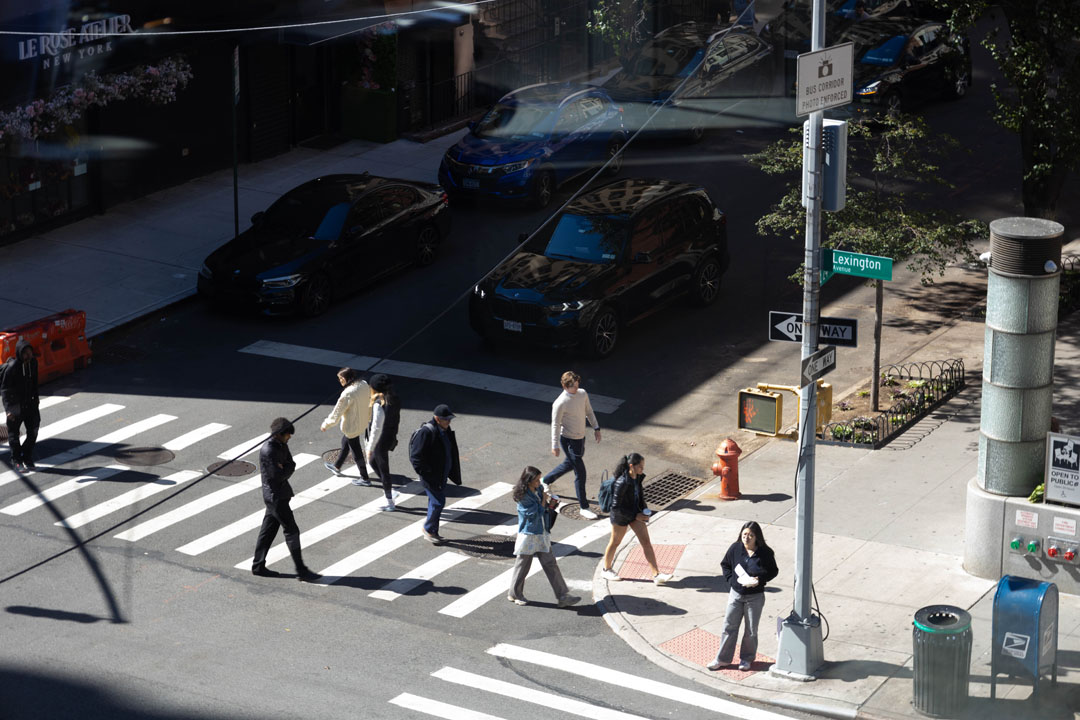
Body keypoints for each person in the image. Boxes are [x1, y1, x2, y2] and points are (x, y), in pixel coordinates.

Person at [252, 418, 321, 582]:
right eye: (288, 435)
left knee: (267, 532)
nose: (289, 437)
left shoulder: (281, 445)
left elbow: (291, 464)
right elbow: (279, 475)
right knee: (292, 531)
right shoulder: (268, 450)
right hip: (275, 497)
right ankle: (301, 570)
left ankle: (258, 565)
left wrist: (286, 467)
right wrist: (285, 468)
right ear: (279, 434)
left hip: (280, 494)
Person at [707, 521, 779, 671]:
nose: (746, 538)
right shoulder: (735, 548)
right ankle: (722, 659)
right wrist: (731, 580)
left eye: (750, 535)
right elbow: (725, 564)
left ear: (757, 538)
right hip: (736, 594)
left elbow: (773, 571)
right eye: (744, 534)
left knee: (751, 630)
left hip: (755, 596)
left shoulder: (765, 553)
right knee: (729, 626)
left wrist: (759, 580)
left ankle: (746, 659)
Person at [507, 466, 582, 608]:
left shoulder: (539, 489)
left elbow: (543, 509)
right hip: (529, 534)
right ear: (528, 481)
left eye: (539, 480)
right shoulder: (522, 496)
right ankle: (515, 593)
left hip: (542, 532)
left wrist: (551, 503)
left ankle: (563, 596)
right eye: (536, 480)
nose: (539, 483)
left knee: (550, 564)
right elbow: (532, 514)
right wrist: (543, 502)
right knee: (522, 566)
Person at [600, 453, 672, 585]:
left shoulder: (637, 478)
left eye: (643, 467)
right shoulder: (621, 482)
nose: (642, 469)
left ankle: (656, 575)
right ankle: (606, 569)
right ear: (631, 466)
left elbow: (640, 496)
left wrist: (644, 510)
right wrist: (636, 515)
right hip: (621, 516)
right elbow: (616, 507)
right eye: (641, 467)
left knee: (646, 542)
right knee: (615, 542)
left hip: (634, 514)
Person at [542, 371, 601, 520]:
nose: (576, 388)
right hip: (568, 440)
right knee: (580, 472)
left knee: (570, 464)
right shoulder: (560, 403)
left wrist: (596, 428)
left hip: (580, 439)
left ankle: (546, 480)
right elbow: (555, 425)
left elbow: (589, 411)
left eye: (577, 385)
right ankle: (584, 507)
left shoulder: (582, 394)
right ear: (564, 386)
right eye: (572, 386)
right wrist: (554, 445)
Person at [409, 404, 462, 544]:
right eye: (446, 419)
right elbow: (416, 458)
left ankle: (433, 530)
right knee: (439, 502)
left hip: (441, 475)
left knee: (434, 502)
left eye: (450, 419)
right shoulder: (426, 433)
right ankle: (429, 529)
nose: (449, 422)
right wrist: (428, 473)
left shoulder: (445, 429)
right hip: (431, 477)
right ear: (437, 419)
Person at [320, 367, 372, 486]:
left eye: (340, 379)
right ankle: (337, 466)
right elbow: (369, 401)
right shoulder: (363, 384)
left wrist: (326, 424)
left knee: (356, 451)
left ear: (345, 378)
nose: (340, 381)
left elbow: (336, 413)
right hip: (362, 421)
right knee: (346, 442)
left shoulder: (347, 393)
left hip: (352, 425)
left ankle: (365, 478)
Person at [1, 339, 40, 473]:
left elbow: (35, 382)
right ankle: (16, 460)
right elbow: (5, 390)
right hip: (15, 407)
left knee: (33, 432)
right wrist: (8, 410)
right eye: (25, 353)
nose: (28, 356)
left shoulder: (34, 363)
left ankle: (26, 456)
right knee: (13, 434)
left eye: (30, 352)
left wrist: (37, 399)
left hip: (31, 405)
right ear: (19, 353)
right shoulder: (12, 368)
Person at [365, 373, 401, 511]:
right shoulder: (394, 398)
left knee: (383, 468)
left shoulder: (379, 405)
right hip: (390, 435)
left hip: (381, 439)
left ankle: (390, 501)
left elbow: (376, 428)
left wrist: (370, 447)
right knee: (374, 462)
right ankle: (390, 491)